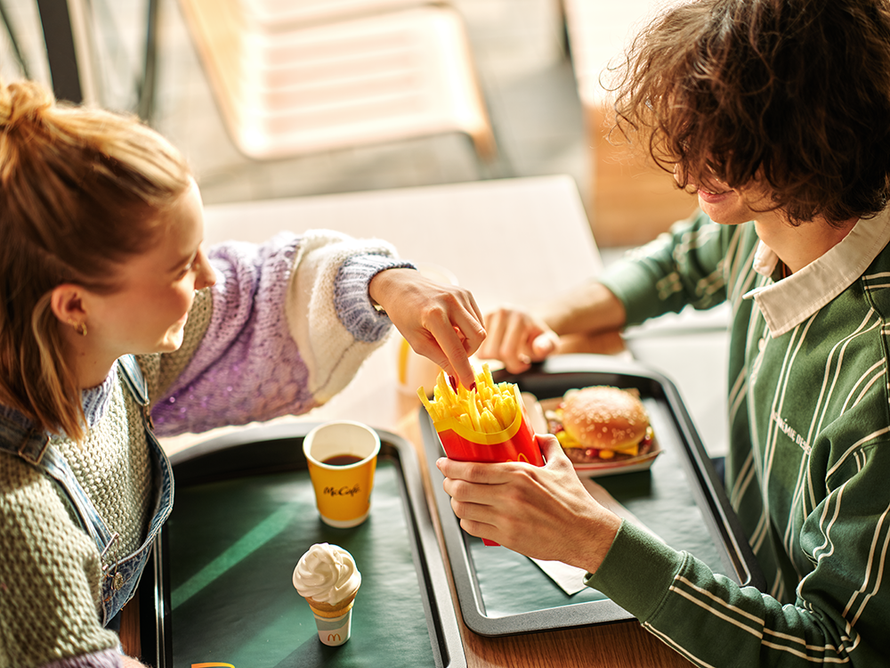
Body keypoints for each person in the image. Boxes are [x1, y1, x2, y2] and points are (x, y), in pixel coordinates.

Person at [437, 0, 890, 665]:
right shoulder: (780, 216)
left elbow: (840, 653)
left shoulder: (874, 387)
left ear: (815, 141)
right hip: (738, 542)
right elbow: (688, 257)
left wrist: (596, 542)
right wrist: (554, 319)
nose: (684, 165)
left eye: (724, 142)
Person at [0, 78, 485, 668]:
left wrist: (382, 283)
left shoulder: (97, 345)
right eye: (182, 265)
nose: (208, 276)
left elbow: (252, 294)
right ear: (75, 305)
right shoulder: (18, 521)